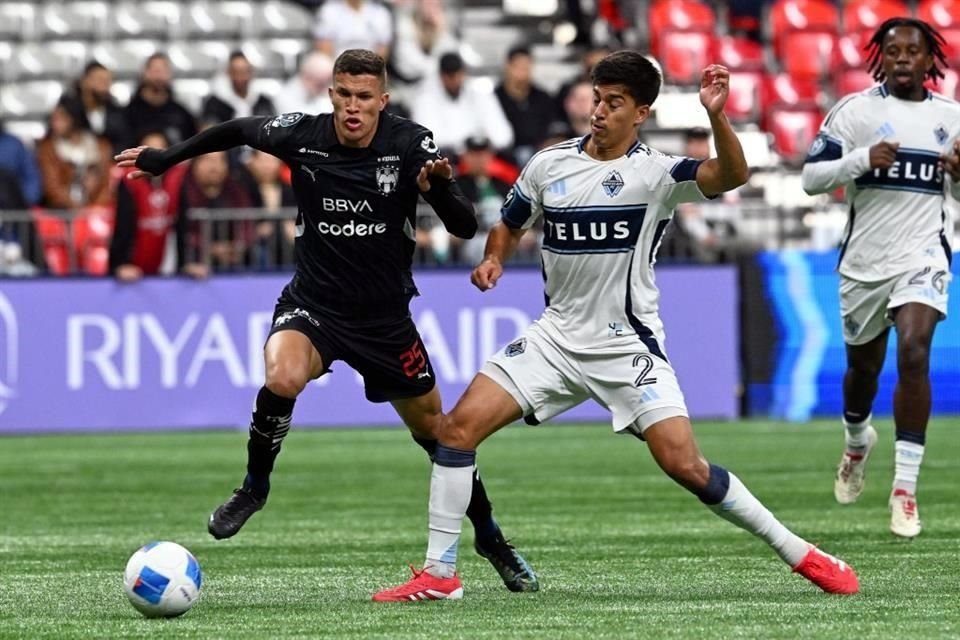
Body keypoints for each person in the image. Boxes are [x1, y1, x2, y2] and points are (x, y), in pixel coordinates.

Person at [373, 51, 859, 602]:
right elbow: (509, 224)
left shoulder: (656, 173)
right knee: (456, 431)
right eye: (597, 98)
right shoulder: (548, 165)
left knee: (686, 465)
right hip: (555, 338)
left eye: (614, 103)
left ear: (642, 112)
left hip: (627, 345)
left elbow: (732, 174)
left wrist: (716, 117)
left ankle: (801, 553)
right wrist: (494, 259)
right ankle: (441, 575)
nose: (599, 111)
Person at [115, 49, 539, 593]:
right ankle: (253, 487)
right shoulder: (303, 134)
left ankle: (490, 536)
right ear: (332, 93)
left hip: (385, 321)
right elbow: (238, 129)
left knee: (440, 435)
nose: (353, 107)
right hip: (314, 304)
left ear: (383, 101)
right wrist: (166, 158)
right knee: (282, 376)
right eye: (344, 94)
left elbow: (462, 226)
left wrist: (437, 190)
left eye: (365, 97)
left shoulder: (411, 144)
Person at [801, 18, 959, 538]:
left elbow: (955, 201)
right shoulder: (855, 111)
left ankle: (904, 491)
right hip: (864, 264)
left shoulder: (951, 119)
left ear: (930, 58)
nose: (903, 59)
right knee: (862, 374)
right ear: (881, 57)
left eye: (914, 51)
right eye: (893, 51)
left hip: (923, 256)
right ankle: (855, 440)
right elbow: (811, 179)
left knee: (914, 352)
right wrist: (860, 159)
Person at [109, 130, 191, 281]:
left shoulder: (178, 180)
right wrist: (120, 264)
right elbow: (122, 225)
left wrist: (185, 263)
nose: (154, 158)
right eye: (148, 152)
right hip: (133, 267)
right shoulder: (129, 181)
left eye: (159, 152)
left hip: (166, 265)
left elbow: (181, 225)